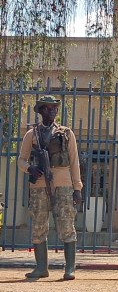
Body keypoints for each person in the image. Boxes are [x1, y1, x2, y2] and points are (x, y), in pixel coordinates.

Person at [17, 95, 83, 280]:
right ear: (41, 111)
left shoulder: (66, 133)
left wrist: (77, 188)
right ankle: (41, 268)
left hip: (63, 184)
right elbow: (21, 160)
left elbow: (74, 162)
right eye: (48, 107)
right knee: (39, 225)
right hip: (39, 186)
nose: (53, 110)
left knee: (66, 224)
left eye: (54, 107)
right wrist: (30, 168)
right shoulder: (32, 134)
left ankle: (69, 269)